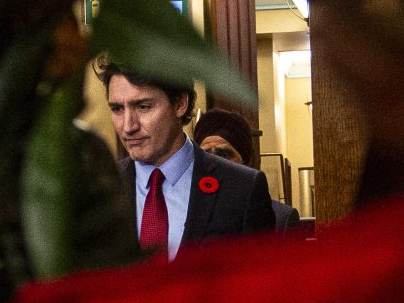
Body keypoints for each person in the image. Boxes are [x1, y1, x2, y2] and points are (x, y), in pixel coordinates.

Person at [98, 61, 282, 258]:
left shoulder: (242, 189)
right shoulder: (98, 191)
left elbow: (259, 284)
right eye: (117, 109)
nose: (128, 126)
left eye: (143, 107)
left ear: (180, 104)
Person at [193, 106, 300, 228]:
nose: (213, 164)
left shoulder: (281, 219)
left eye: (223, 155)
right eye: (206, 155)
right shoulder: (186, 211)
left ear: (243, 161)